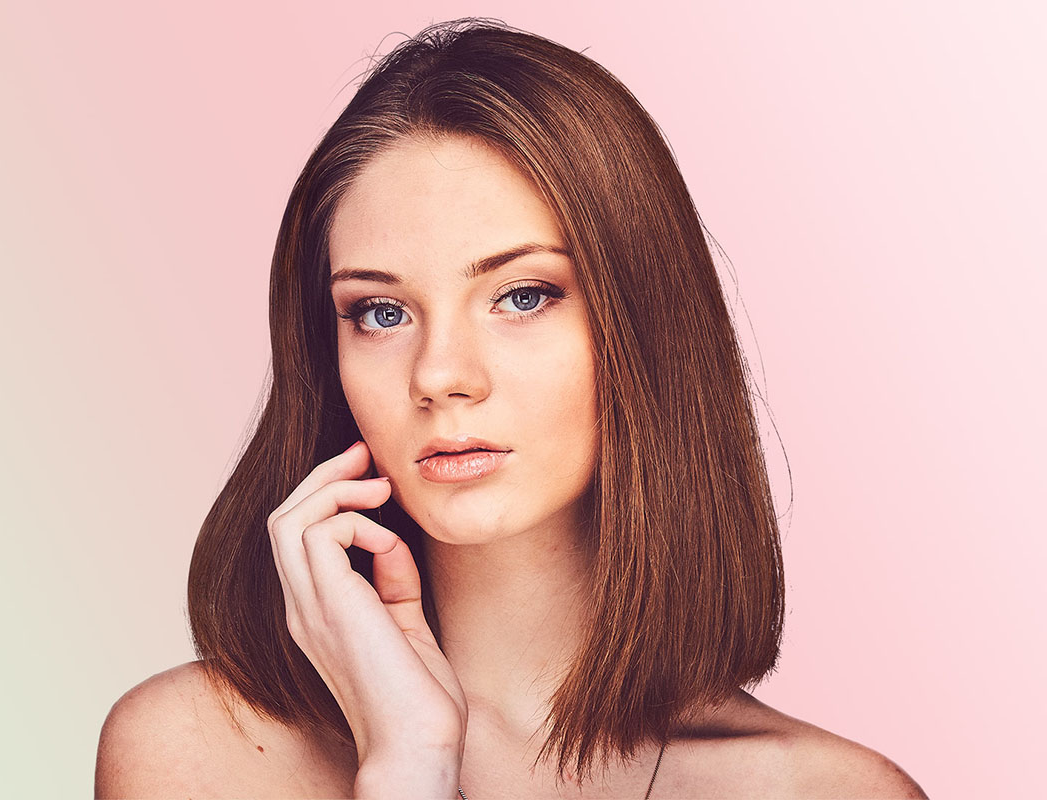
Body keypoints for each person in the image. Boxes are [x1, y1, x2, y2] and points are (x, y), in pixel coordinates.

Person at [96, 18, 927, 799]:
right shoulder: (193, 754)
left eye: (523, 296)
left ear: (643, 328)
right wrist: (408, 764)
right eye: (381, 313)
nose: (441, 375)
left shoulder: (825, 790)